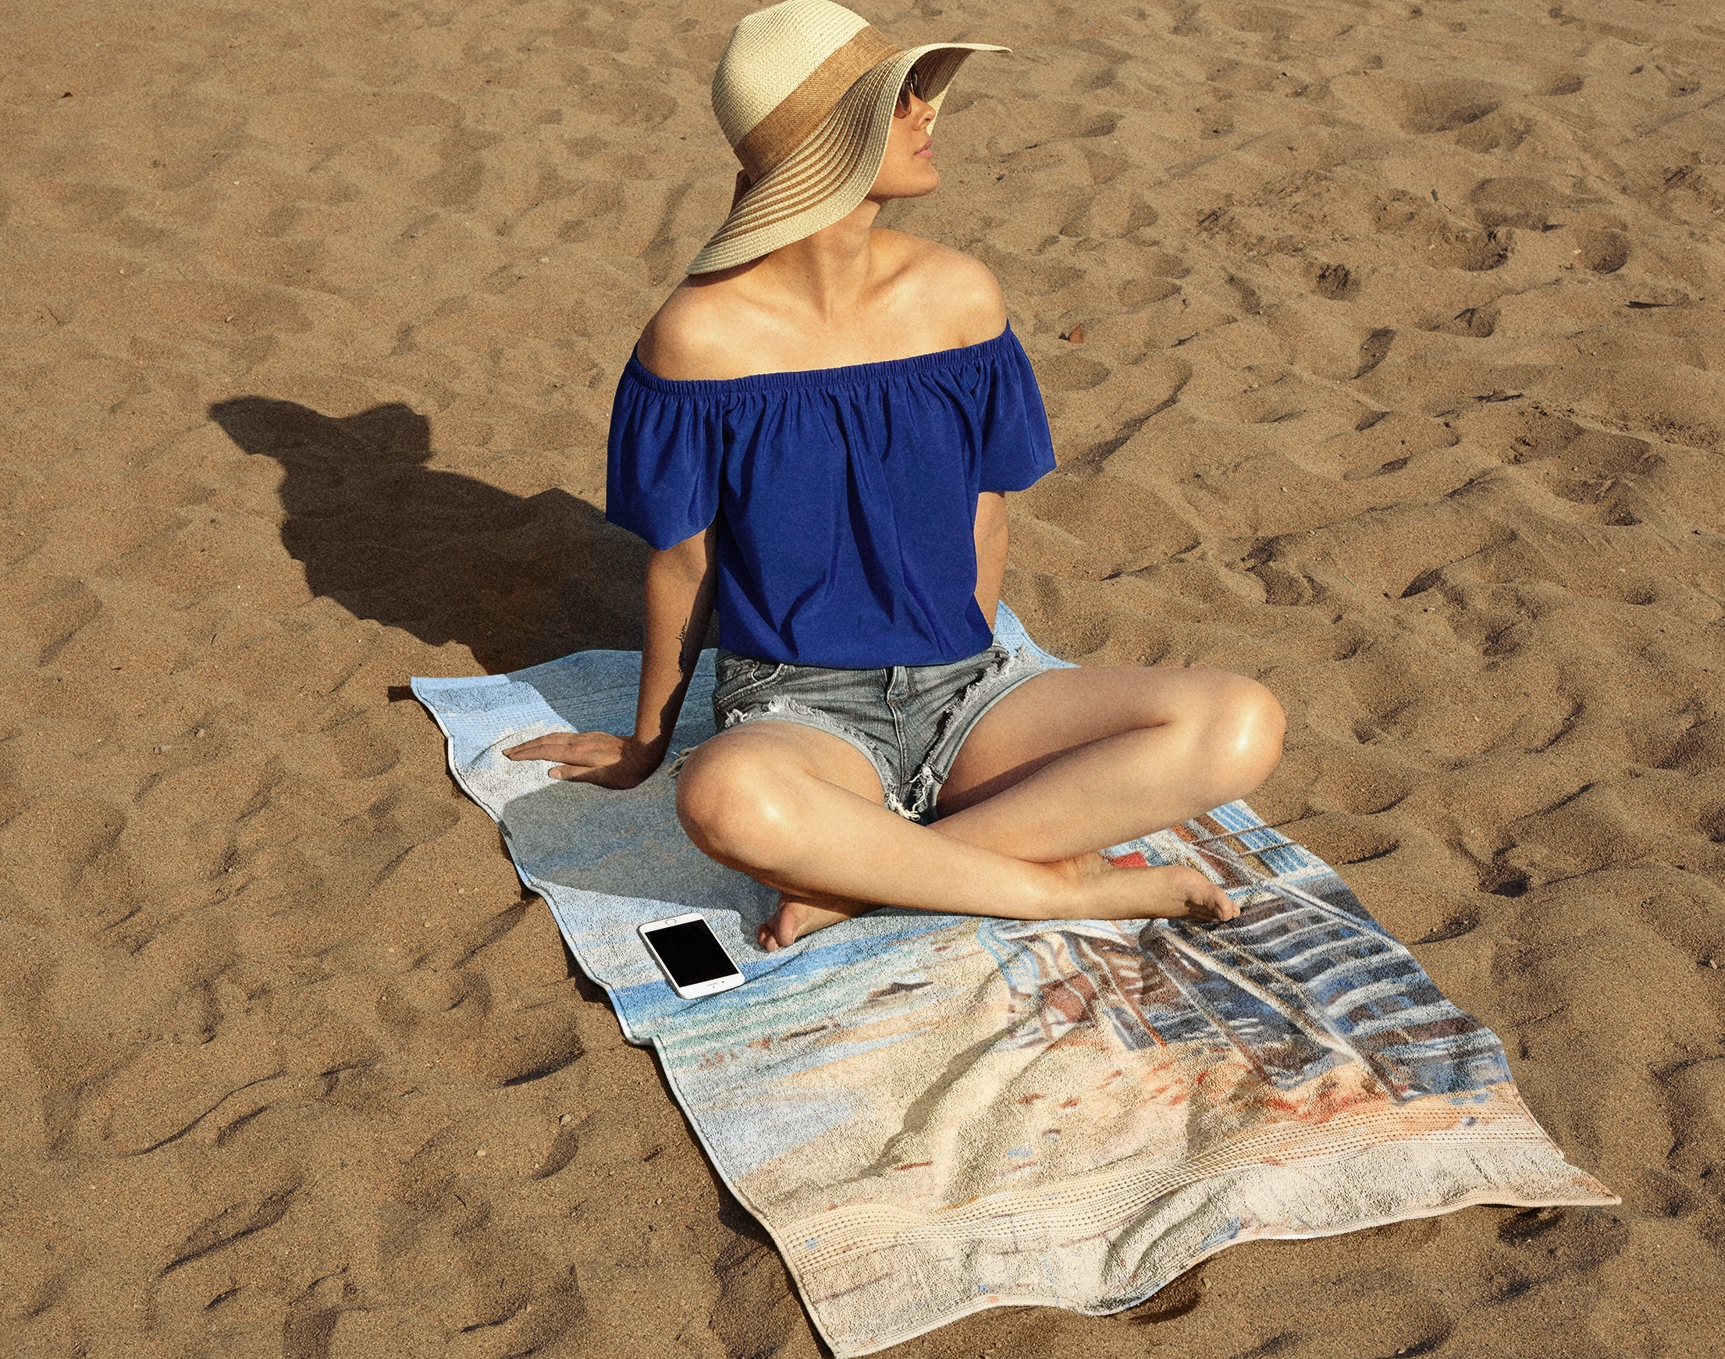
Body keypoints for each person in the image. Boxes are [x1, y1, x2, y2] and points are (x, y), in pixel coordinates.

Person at [504, 0, 1285, 951]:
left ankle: (869, 880)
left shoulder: (960, 295)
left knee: (1241, 721)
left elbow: (985, 517)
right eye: (897, 102)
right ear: (830, 149)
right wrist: (647, 745)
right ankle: (1051, 890)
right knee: (722, 798)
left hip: (969, 687)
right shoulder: (698, 339)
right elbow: (684, 561)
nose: (928, 114)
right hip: (801, 708)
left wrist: (968, 662)